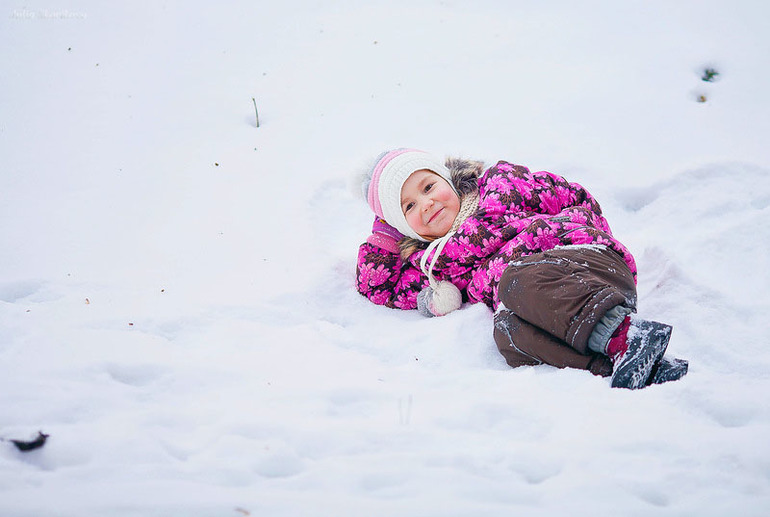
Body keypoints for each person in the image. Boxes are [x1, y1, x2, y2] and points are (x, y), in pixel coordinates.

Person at [355, 148, 688, 389]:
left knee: (516, 281)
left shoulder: (501, 188)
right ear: (405, 228)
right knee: (507, 331)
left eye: (428, 187)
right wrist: (383, 233)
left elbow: (572, 195)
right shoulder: (436, 264)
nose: (426, 203)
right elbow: (378, 286)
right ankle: (625, 363)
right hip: (549, 308)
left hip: (584, 265)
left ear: (448, 179)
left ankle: (626, 334)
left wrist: (584, 233)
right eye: (408, 207)